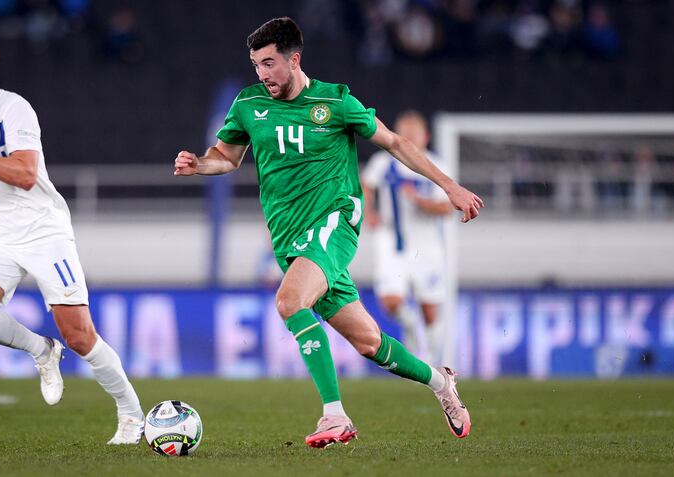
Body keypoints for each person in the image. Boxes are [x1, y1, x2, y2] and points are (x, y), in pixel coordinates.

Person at [174, 17, 483, 447]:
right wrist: (199, 165)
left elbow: (395, 144)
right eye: (255, 65)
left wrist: (449, 186)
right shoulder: (248, 105)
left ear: (293, 59)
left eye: (269, 63)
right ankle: (441, 383)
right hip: (290, 238)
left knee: (289, 301)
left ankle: (334, 416)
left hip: (335, 222)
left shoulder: (334, 102)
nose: (262, 74)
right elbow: (226, 157)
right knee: (369, 342)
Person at [0, 28, 144, 445]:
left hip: (44, 232)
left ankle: (131, 415)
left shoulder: (15, 110)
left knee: (80, 335)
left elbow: (26, 176)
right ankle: (40, 350)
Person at [361, 110, 451, 364]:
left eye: (414, 136)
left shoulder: (437, 166)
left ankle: (435, 365)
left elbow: (446, 208)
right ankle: (409, 324)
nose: (409, 140)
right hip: (392, 241)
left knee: (430, 310)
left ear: (426, 137)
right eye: (404, 135)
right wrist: (369, 212)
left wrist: (420, 200)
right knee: (390, 302)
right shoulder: (384, 163)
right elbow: (366, 184)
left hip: (427, 246)